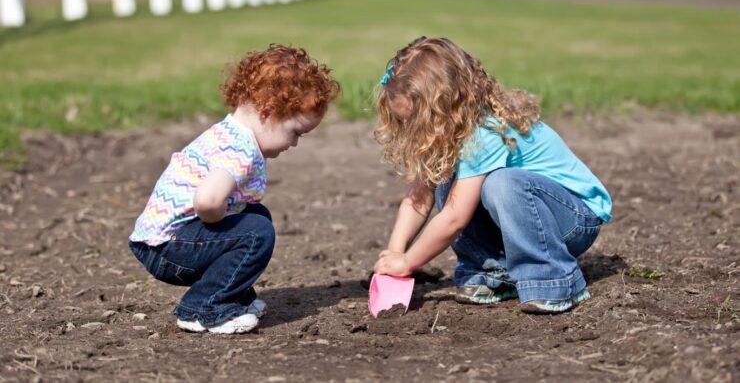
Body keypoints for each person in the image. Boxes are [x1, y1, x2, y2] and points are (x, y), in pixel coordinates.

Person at [372, 37, 611, 314]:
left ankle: (554, 278)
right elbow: (418, 199)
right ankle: (493, 274)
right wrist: (394, 255)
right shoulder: (445, 133)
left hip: (574, 222)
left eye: (416, 121)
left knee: (500, 184)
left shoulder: (483, 133)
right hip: (526, 220)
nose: (411, 129)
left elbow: (454, 218)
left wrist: (408, 262)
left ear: (444, 108)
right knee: (446, 182)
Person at [129, 44, 340, 333]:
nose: (294, 144)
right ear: (268, 112)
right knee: (256, 231)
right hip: (167, 248)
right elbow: (207, 200)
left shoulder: (228, 133)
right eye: (295, 132)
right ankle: (204, 307)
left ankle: (234, 296)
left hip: (159, 241)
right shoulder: (240, 151)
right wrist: (217, 219)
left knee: (254, 216)